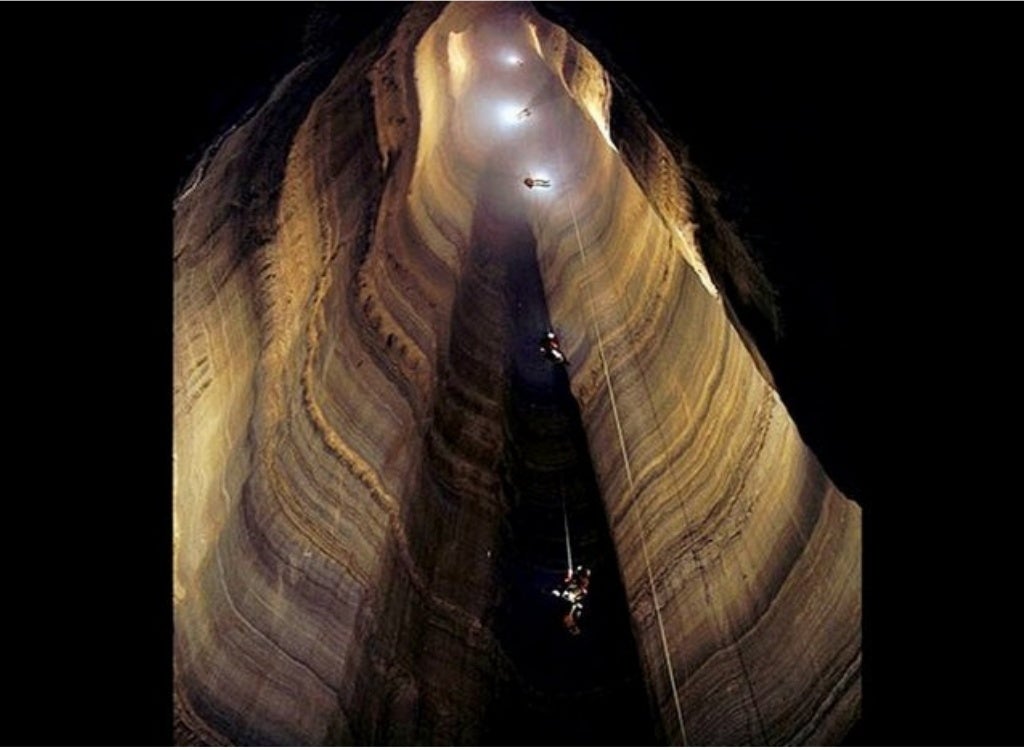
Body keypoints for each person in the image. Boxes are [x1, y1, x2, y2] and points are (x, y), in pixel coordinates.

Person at [552, 565, 591, 635]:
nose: (568, 621)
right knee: (581, 586)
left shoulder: (562, 611)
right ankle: (579, 572)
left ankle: (576, 573)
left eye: (567, 623)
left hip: (569, 591)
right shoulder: (576, 614)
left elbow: (560, 595)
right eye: (570, 623)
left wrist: (559, 592)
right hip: (575, 592)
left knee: (571, 588)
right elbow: (580, 604)